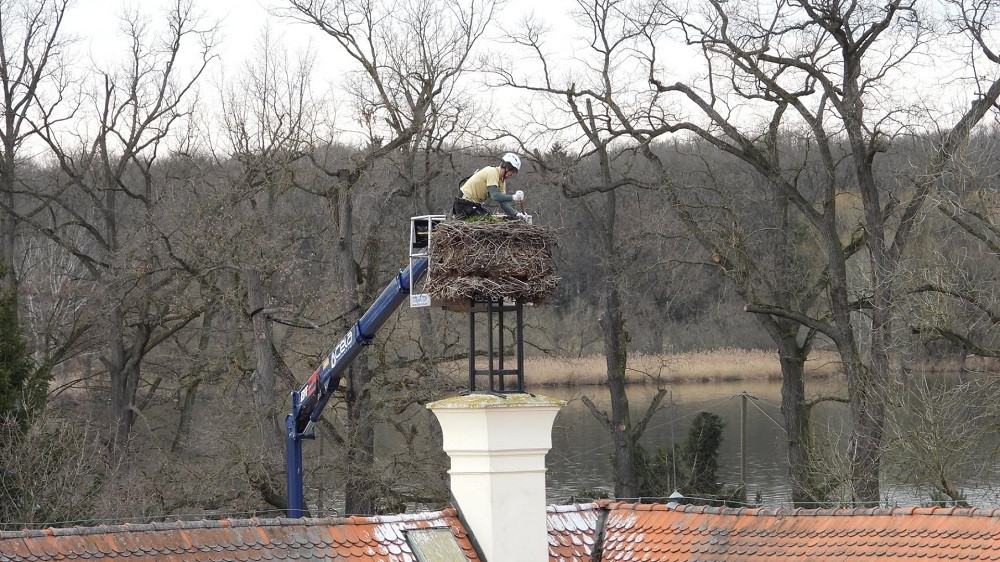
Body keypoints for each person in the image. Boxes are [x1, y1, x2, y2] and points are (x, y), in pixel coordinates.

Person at [452, 152, 529, 221]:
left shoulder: (501, 182)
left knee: (492, 220)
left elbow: (503, 203)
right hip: (463, 204)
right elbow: (495, 196)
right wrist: (513, 197)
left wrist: (516, 214)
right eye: (512, 172)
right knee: (488, 222)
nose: (511, 175)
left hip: (472, 205)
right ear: (506, 167)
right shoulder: (492, 172)